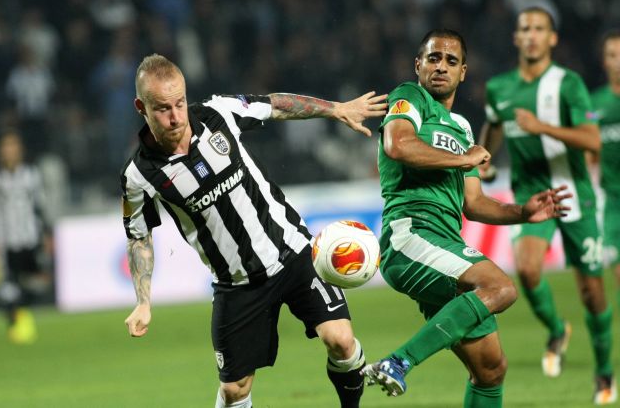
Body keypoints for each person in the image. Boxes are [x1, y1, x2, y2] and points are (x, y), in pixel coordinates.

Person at [121, 54, 388, 408]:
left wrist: (336, 109)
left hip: (293, 252)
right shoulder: (138, 176)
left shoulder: (218, 113)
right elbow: (139, 236)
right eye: (163, 109)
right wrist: (143, 301)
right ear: (141, 107)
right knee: (235, 389)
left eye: (180, 103)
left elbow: (275, 105)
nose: (175, 117)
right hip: (237, 284)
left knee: (341, 339)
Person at [361, 28, 570, 407]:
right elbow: (398, 144)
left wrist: (523, 212)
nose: (441, 66)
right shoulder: (409, 97)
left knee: (490, 369)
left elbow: (473, 203)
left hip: (446, 244)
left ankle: (405, 363)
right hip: (410, 235)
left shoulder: (462, 128)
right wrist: (463, 158)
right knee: (501, 287)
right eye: (433, 58)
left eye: (451, 61)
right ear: (418, 65)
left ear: (463, 72)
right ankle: (398, 362)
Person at [479, 7, 616, 404]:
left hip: (574, 196)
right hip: (531, 195)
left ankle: (603, 372)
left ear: (552, 38)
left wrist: (543, 127)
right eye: (525, 28)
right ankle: (557, 330)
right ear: (516, 37)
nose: (532, 35)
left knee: (592, 292)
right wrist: (484, 157)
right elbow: (494, 124)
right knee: (526, 268)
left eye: (540, 29)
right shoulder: (499, 87)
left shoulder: (568, 84)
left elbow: (592, 140)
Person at [0, 130, 53, 344]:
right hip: (5, 241)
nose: (10, 151)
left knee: (40, 282)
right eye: (6, 146)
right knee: (8, 287)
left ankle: (20, 312)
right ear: (0, 151)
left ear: (20, 149)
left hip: (29, 237)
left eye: (14, 146)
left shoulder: (31, 173)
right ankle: (16, 326)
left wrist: (47, 233)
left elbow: (39, 205)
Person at [591, 31, 620, 320]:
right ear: (604, 62)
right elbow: (587, 149)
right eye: (613, 55)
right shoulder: (595, 105)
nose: (619, 61)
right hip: (613, 202)